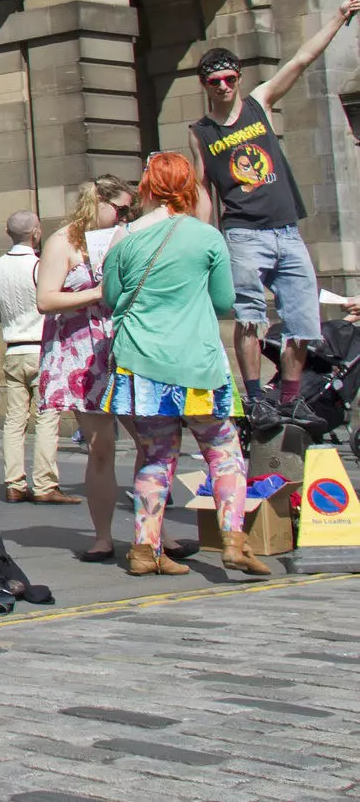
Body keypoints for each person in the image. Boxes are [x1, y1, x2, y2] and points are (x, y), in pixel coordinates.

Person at [99, 153, 267, 579]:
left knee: (156, 456)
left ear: (148, 188)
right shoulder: (206, 237)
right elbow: (225, 302)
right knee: (223, 449)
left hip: (142, 362)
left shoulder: (125, 238)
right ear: (189, 187)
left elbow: (112, 299)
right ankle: (234, 542)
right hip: (197, 362)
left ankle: (143, 550)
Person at [188, 0, 360, 406]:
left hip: (287, 230)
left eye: (230, 79)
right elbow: (201, 190)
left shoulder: (259, 104)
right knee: (250, 318)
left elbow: (300, 60)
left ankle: (290, 397)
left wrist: (338, 15)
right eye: (216, 82)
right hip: (244, 234)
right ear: (205, 85)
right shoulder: (200, 132)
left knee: (303, 321)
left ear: (240, 79)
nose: (225, 86)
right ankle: (252, 396)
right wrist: (200, 239)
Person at [37, 176, 138, 561]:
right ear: (98, 201)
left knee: (152, 439)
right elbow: (45, 300)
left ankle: (152, 531)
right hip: (82, 353)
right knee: (102, 447)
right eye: (121, 208)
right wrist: (99, 291)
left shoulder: (124, 237)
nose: (125, 216)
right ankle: (104, 536)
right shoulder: (64, 241)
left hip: (123, 346)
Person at [0, 210, 71, 505]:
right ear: (35, 233)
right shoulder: (40, 265)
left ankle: (14, 482)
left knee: (14, 420)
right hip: (40, 346)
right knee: (46, 417)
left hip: (13, 349)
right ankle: (45, 483)